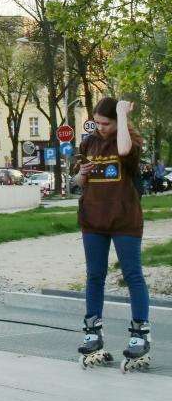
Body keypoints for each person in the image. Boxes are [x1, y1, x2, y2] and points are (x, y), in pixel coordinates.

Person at [74, 97, 151, 370]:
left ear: (118, 123)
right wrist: (81, 174)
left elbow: (123, 149)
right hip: (92, 219)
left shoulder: (130, 142)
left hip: (124, 219)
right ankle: (93, 329)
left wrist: (121, 114)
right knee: (95, 275)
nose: (100, 127)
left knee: (132, 275)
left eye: (106, 123)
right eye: (97, 122)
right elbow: (77, 181)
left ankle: (140, 333)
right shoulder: (88, 143)